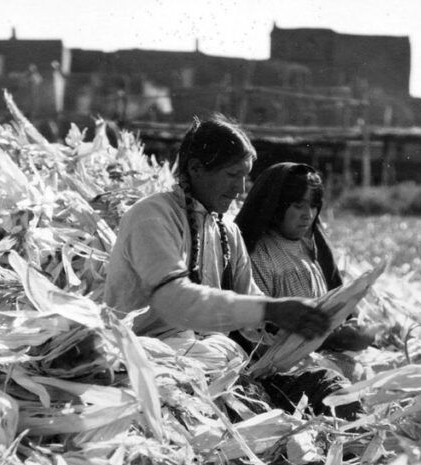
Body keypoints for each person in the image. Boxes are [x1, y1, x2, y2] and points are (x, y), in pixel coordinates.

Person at [103, 116, 331, 375]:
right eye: (232, 175)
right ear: (196, 168)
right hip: (144, 354)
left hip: (203, 356)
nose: (240, 188)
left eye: (245, 177)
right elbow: (174, 301)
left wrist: (289, 323)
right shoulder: (152, 217)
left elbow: (251, 305)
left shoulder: (227, 231)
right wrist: (270, 309)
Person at [234, 162, 373, 418]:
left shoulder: (310, 248)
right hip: (283, 372)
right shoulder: (259, 256)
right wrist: (331, 338)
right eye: (298, 205)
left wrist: (357, 329)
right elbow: (260, 340)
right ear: (276, 206)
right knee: (337, 392)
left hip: (321, 357)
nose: (307, 215)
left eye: (313, 205)